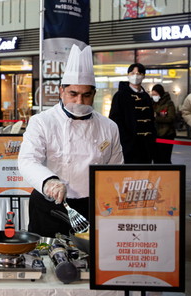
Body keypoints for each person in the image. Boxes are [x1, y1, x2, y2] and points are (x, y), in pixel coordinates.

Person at [18, 45, 123, 237]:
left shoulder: (109, 126)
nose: (79, 102)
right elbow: (27, 160)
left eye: (86, 95)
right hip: (49, 205)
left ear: (94, 94)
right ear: (61, 91)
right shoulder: (42, 121)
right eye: (73, 94)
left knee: (89, 260)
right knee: (47, 259)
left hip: (92, 206)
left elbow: (115, 169)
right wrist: (49, 182)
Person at [109, 63, 156, 164]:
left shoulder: (146, 96)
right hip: (128, 145)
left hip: (146, 146)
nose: (135, 76)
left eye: (138, 73)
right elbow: (115, 119)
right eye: (132, 73)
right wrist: (126, 140)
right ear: (128, 75)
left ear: (143, 76)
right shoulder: (120, 95)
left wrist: (152, 140)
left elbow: (151, 120)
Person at [151, 84, 176, 164]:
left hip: (167, 135)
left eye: (156, 94)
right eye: (153, 94)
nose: (154, 96)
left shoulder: (169, 103)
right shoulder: (152, 103)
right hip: (155, 135)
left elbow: (171, 118)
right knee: (156, 158)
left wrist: (156, 117)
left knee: (165, 158)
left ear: (160, 94)